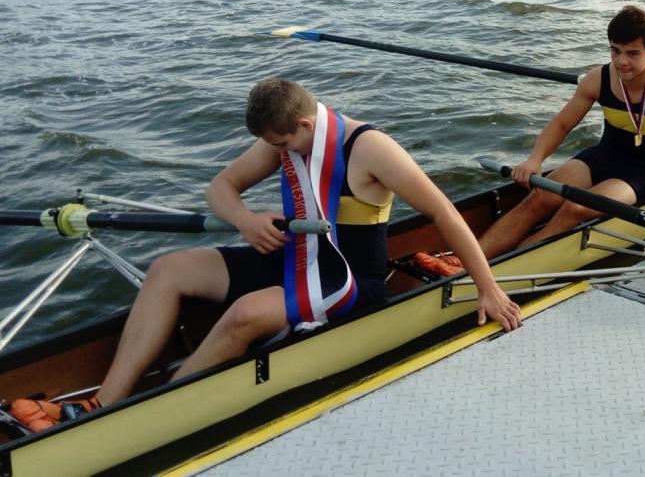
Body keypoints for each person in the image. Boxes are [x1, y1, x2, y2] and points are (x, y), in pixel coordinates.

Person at [10, 79, 522, 432]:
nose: (278, 154)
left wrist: (488, 288)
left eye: (281, 144)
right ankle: (105, 401)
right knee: (168, 269)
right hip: (292, 259)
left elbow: (444, 213)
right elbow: (220, 188)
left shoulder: (371, 148)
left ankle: (149, 411)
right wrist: (245, 220)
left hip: (348, 281)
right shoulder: (284, 139)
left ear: (304, 125)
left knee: (245, 313)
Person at [414, 6, 645, 277]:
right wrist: (535, 159)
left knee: (573, 210)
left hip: (635, 176)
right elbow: (562, 123)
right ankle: (466, 262)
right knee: (539, 198)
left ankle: (500, 272)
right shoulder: (598, 79)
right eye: (615, 51)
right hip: (599, 158)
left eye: (632, 53)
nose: (622, 62)